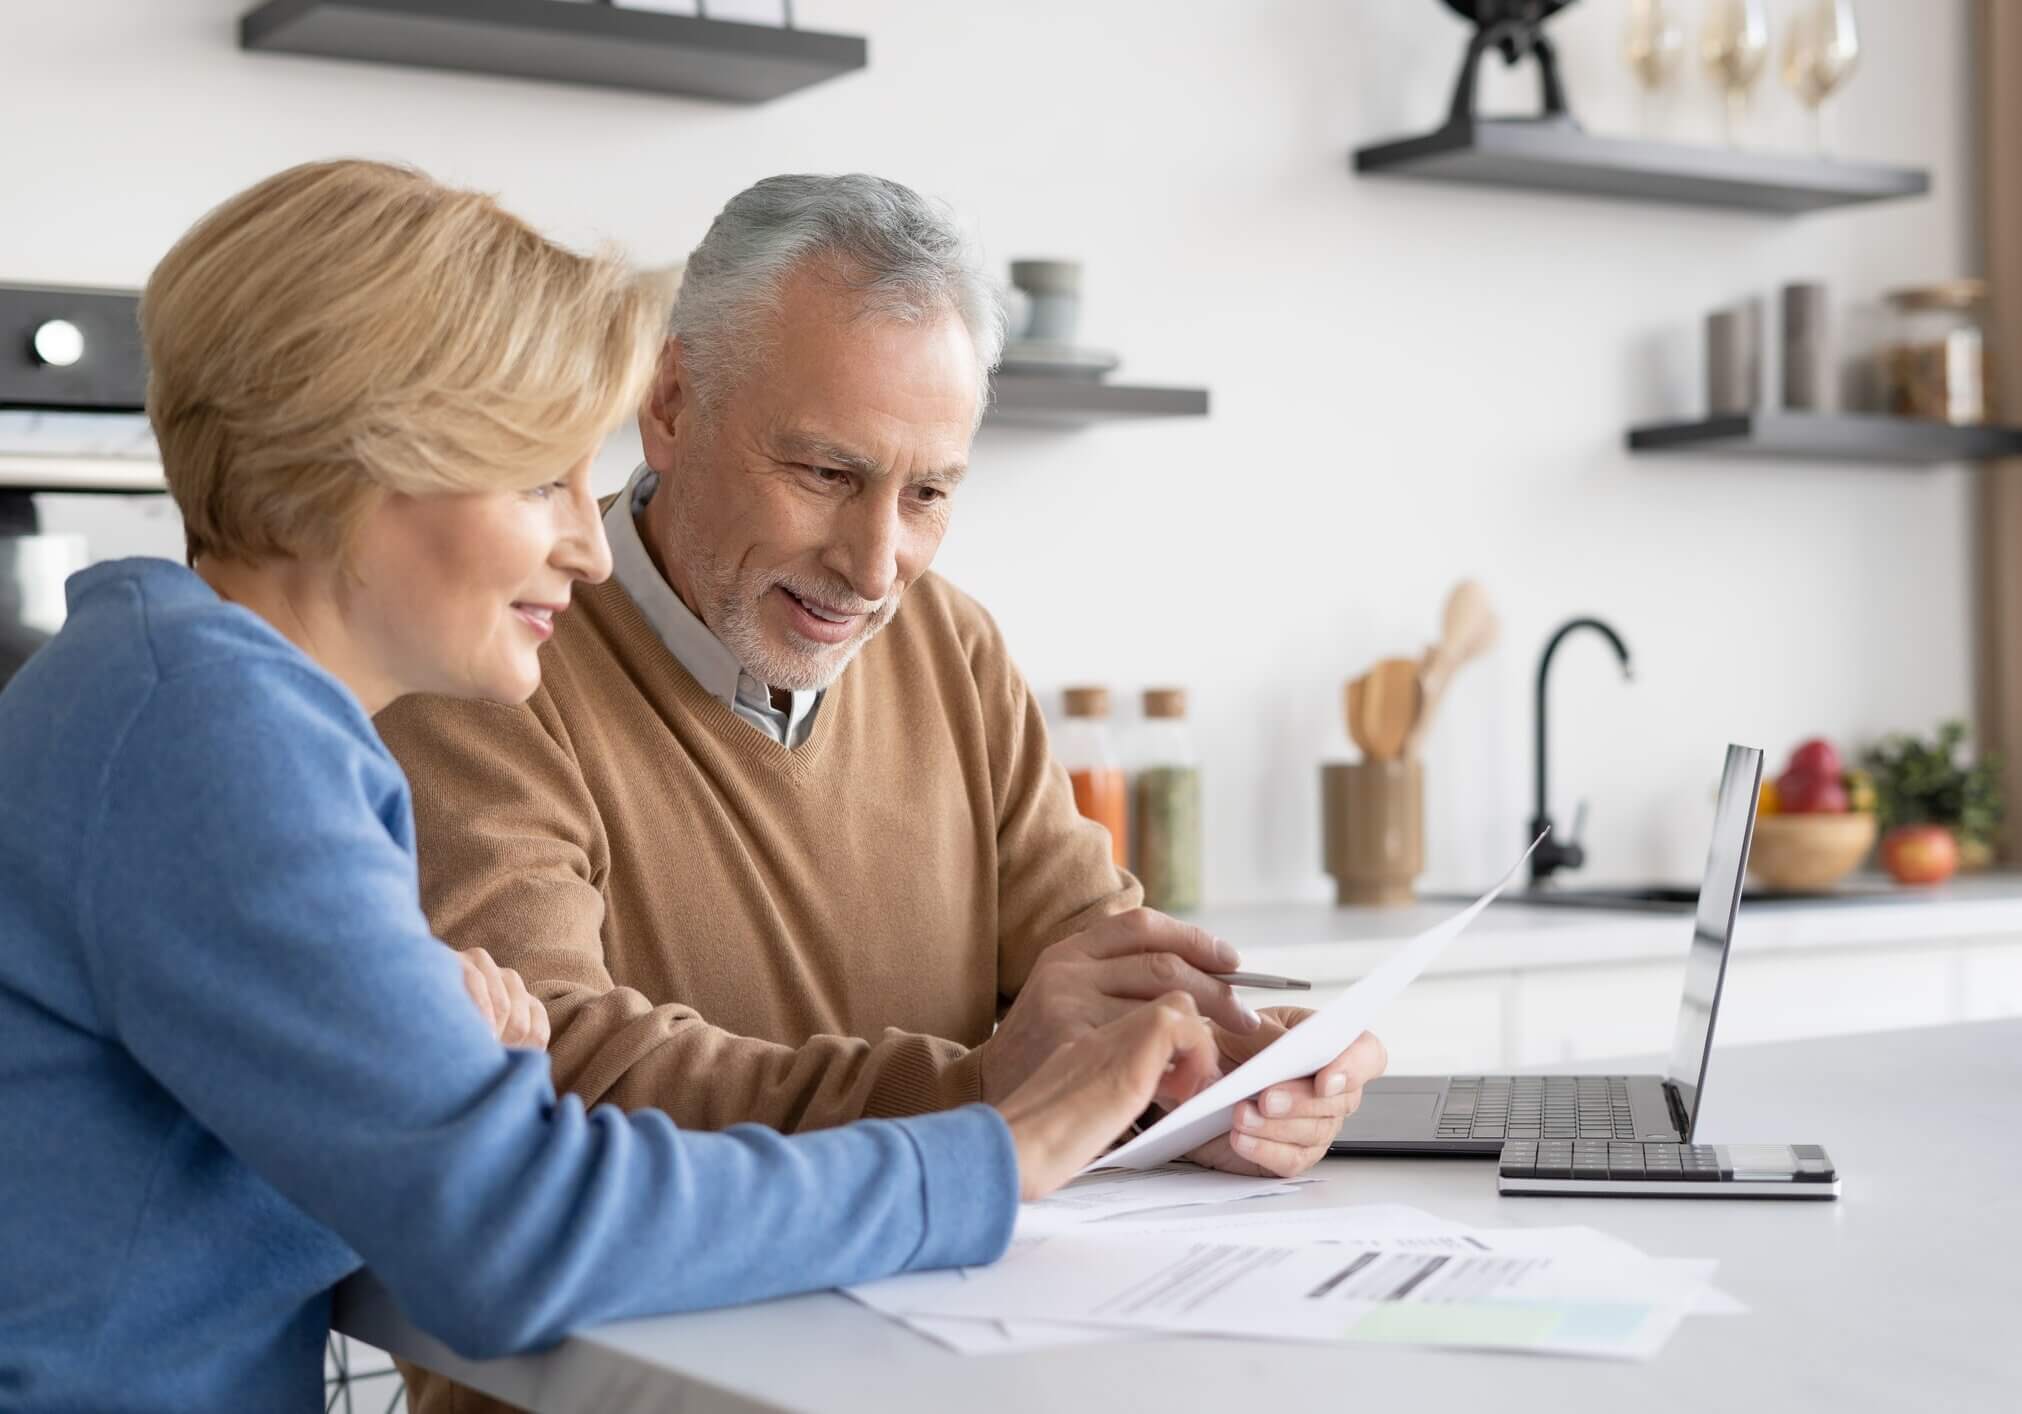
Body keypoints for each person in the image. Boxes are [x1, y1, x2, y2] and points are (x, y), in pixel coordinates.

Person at [0, 159, 1225, 1412]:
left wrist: (447, 1071)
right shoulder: (213, 737)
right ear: (359, 469)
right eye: (540, 479)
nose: (589, 545)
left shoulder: (174, 695)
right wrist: (991, 1156)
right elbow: (515, 1228)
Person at [378, 169, 1389, 1414]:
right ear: (673, 405)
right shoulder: (487, 659)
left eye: (929, 494)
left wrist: (1213, 1081)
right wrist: (986, 1101)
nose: (874, 564)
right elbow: (559, 1070)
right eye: (823, 472)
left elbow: (1096, 961)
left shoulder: (951, 646)